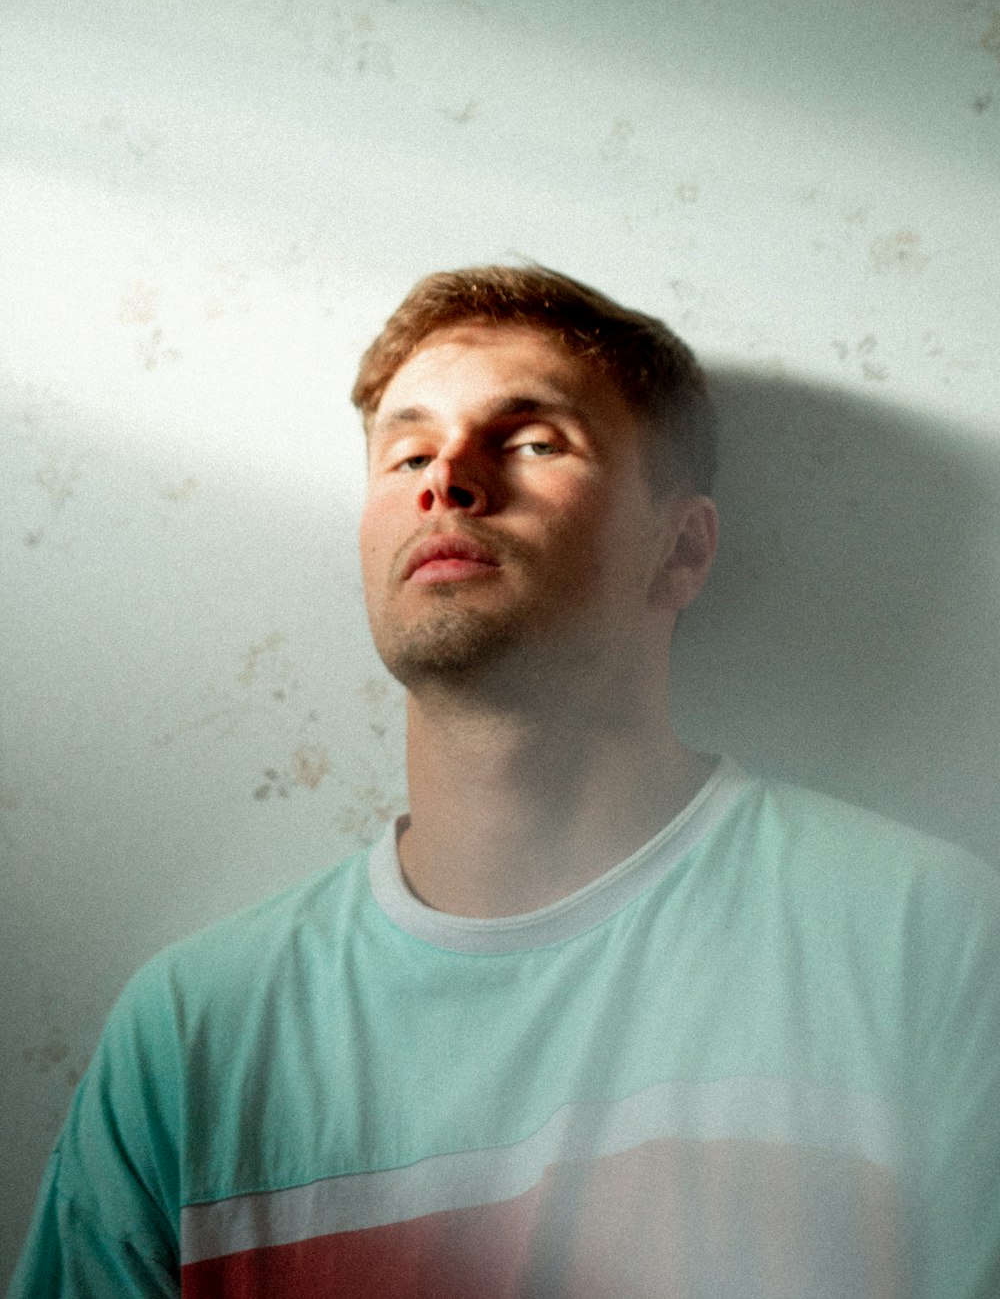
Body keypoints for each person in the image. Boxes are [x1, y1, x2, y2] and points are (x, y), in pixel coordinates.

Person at [9, 264, 1000, 1299]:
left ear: (682, 549)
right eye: (405, 453)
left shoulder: (919, 940)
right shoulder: (191, 1033)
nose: (447, 479)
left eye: (531, 441)